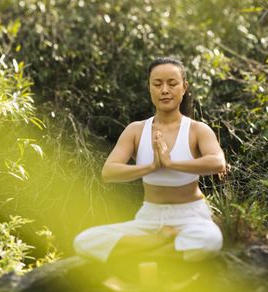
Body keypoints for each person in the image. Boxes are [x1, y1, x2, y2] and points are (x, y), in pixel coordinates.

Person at [74, 56, 227, 264]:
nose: (165, 90)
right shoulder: (136, 130)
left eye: (172, 84)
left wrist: (171, 164)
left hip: (190, 217)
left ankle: (140, 254)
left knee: (210, 239)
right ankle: (164, 244)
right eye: (157, 84)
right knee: (84, 241)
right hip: (149, 218)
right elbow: (109, 172)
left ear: (184, 87)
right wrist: (152, 166)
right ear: (150, 88)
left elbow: (218, 162)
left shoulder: (197, 130)